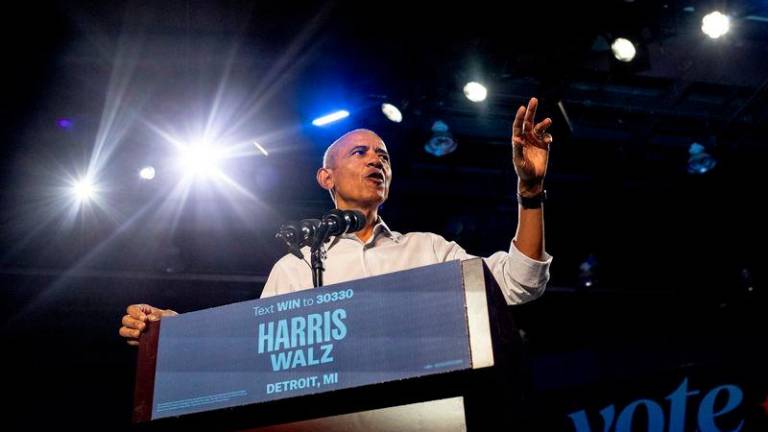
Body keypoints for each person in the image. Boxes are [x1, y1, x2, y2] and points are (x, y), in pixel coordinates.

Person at [119, 97, 554, 346]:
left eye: (383, 155)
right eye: (360, 153)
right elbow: (253, 343)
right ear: (326, 176)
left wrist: (530, 191)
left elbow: (520, 282)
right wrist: (175, 332)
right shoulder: (294, 267)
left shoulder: (428, 250)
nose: (376, 161)